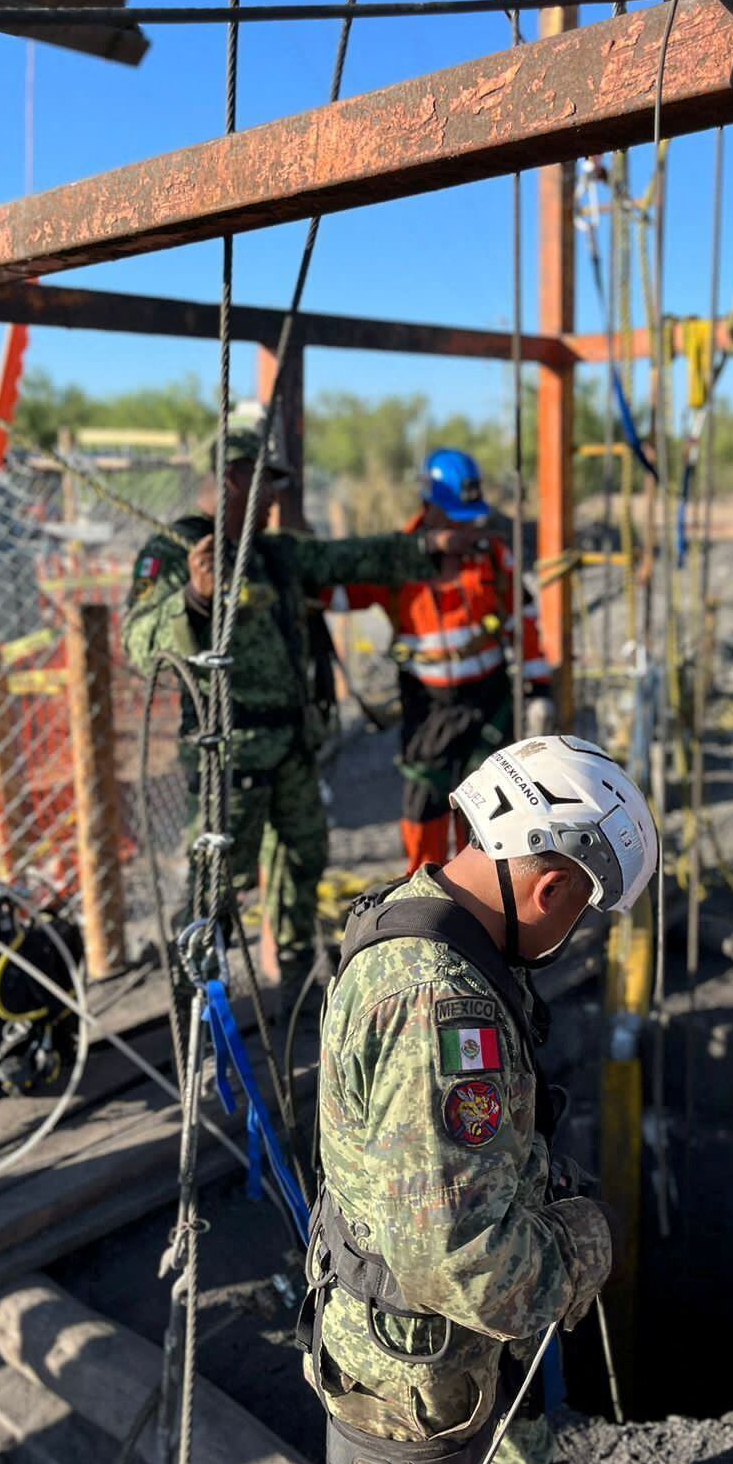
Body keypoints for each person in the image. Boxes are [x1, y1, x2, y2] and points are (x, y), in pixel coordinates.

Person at [299, 734, 658, 1464]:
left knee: (506, 1428)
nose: (579, 930)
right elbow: (457, 1260)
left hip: (444, 1339)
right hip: (411, 1370)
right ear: (552, 883)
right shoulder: (435, 1003)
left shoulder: (435, 917)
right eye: (583, 910)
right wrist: (585, 1244)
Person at [122, 425, 479, 1026]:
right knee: (215, 890)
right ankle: (196, 1018)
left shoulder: (274, 554)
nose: (271, 500)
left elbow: (350, 556)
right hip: (230, 755)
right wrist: (196, 602)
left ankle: (293, 1003)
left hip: (292, 747)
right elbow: (139, 640)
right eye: (263, 485)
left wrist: (428, 548)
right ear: (232, 477)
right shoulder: (180, 553)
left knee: (300, 866)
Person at [331, 448, 555, 873]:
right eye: (454, 517)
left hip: (487, 701)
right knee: (425, 811)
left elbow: (523, 618)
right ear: (429, 507)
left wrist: (538, 684)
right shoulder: (395, 561)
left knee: (489, 813)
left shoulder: (491, 555)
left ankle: (484, 903)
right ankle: (428, 903)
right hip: (427, 708)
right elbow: (335, 591)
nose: (466, 526)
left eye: (469, 517)